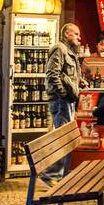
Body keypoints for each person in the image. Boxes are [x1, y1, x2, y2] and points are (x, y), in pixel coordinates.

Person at [43, 22, 82, 184]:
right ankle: (51, 174)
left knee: (65, 136)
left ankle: (59, 174)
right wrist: (64, 93)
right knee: (62, 137)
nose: (79, 38)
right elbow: (52, 74)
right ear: (67, 34)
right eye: (76, 34)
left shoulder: (69, 51)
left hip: (67, 99)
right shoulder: (59, 49)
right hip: (61, 100)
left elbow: (67, 74)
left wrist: (80, 82)